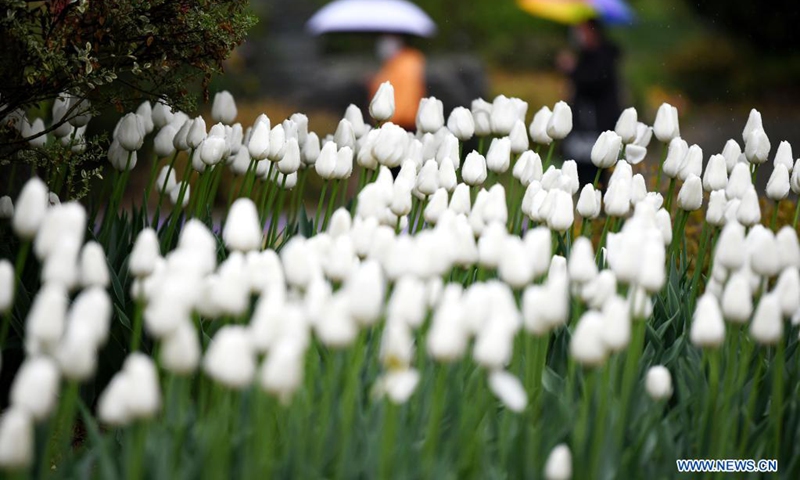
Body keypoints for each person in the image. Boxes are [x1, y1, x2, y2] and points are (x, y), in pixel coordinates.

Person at [558, 19, 622, 186]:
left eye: (582, 31)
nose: (578, 35)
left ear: (593, 32)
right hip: (583, 128)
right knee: (580, 179)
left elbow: (594, 83)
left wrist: (572, 70)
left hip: (596, 128)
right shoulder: (585, 56)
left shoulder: (603, 56)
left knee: (593, 180)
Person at [369, 35, 426, 132]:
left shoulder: (407, 63)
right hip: (395, 119)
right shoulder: (390, 65)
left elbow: (406, 93)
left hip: (403, 120)